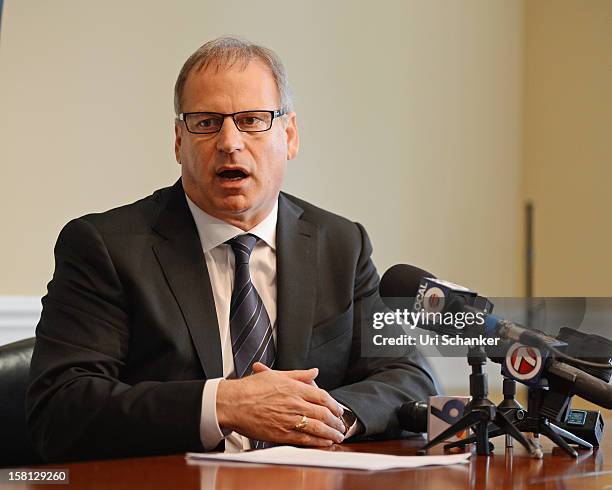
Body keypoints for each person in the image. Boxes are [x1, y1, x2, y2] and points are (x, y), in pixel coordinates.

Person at [26, 37, 437, 462]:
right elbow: (60, 410)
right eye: (205, 122)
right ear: (178, 141)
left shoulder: (341, 244)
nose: (229, 142)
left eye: (252, 120)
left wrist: (327, 417)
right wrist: (225, 404)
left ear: (290, 135)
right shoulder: (106, 247)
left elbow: (407, 377)